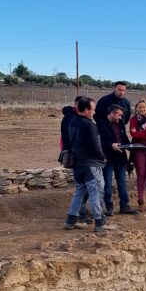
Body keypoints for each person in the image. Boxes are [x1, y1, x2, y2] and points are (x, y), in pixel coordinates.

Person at [64, 97, 108, 233]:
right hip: (90, 164)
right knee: (95, 192)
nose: (94, 112)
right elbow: (95, 146)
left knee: (79, 192)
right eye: (93, 109)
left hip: (77, 163)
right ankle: (99, 222)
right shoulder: (90, 125)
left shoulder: (72, 121)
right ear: (87, 110)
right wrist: (103, 157)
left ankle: (70, 220)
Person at [98, 104, 138, 216]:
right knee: (108, 183)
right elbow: (99, 142)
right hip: (108, 158)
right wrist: (111, 145)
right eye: (119, 115)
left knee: (122, 183)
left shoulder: (120, 123)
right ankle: (109, 207)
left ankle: (124, 207)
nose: (120, 118)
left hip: (120, 157)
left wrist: (130, 146)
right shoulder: (101, 124)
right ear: (111, 113)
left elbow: (123, 137)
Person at [60, 96, 90, 223]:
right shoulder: (71, 118)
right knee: (83, 186)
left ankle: (79, 212)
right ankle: (80, 213)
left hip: (80, 155)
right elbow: (69, 138)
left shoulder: (75, 117)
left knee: (84, 186)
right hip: (77, 156)